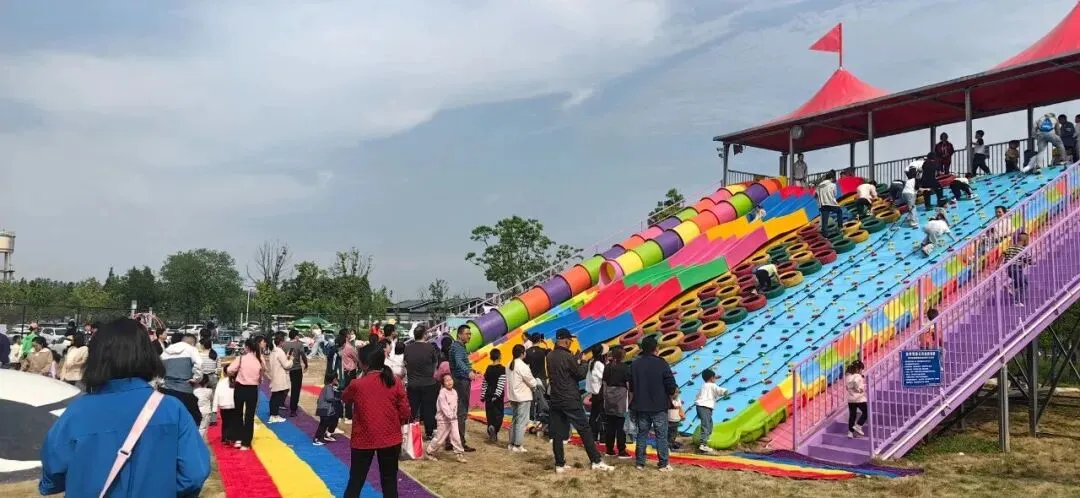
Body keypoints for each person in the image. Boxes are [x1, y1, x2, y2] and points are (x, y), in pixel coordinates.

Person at [39, 318, 211, 497]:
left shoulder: (78, 411)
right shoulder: (172, 409)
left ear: (96, 357)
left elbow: (53, 472)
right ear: (147, 354)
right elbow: (194, 474)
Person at [342, 349, 411, 498]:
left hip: (363, 438)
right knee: (389, 481)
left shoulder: (357, 384)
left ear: (364, 364)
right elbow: (405, 411)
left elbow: (345, 397)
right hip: (390, 437)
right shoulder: (395, 381)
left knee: (356, 480)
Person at [544, 328, 615, 473]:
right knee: (584, 429)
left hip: (556, 398)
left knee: (557, 433)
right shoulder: (567, 356)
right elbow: (580, 374)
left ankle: (559, 464)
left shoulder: (550, 356)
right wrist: (582, 362)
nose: (571, 342)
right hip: (570, 398)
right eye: (570, 340)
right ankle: (596, 460)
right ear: (565, 340)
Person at [629, 335, 677, 472]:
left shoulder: (634, 364)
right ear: (656, 348)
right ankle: (663, 463)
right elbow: (670, 384)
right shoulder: (661, 363)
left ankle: (640, 462)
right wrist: (672, 393)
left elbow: (631, 386)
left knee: (642, 434)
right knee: (661, 435)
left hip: (641, 406)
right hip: (659, 406)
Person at [160, 332, 206, 426]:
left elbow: (159, 369)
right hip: (184, 388)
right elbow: (199, 364)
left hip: (166, 389)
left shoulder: (166, 351)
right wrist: (196, 379)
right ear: (193, 343)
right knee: (194, 419)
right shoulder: (191, 349)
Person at [226, 338, 264, 450]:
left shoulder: (241, 358)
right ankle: (246, 443)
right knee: (249, 416)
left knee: (238, 414)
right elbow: (264, 370)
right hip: (252, 390)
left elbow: (229, 370)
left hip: (240, 389)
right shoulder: (259, 359)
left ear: (247, 347)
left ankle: (238, 438)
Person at [404, 324, 441, 440]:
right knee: (429, 409)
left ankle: (408, 432)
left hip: (412, 383)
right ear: (424, 335)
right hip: (428, 383)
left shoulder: (407, 348)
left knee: (412, 409)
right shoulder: (430, 348)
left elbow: (405, 363)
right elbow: (435, 363)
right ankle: (429, 433)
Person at [448, 324, 479, 452]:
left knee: (454, 411)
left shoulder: (456, 346)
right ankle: (460, 442)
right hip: (461, 381)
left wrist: (471, 370)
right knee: (461, 412)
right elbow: (459, 361)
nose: (469, 336)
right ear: (459, 334)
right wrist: (468, 372)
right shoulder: (458, 347)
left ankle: (450, 441)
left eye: (470, 334)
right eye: (467, 334)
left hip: (457, 380)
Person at [426, 374, 468, 462]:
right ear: (443, 383)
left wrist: (454, 416)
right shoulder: (442, 393)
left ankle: (459, 453)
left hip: (453, 420)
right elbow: (444, 407)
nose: (449, 382)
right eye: (447, 381)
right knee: (440, 439)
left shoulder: (454, 392)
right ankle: (430, 452)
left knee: (456, 437)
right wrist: (450, 415)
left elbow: (455, 406)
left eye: (450, 380)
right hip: (443, 420)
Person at [506, 343, 541, 453]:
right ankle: (518, 445)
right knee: (522, 422)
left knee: (515, 420)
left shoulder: (509, 364)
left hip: (513, 396)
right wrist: (537, 383)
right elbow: (530, 380)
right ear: (522, 353)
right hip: (523, 396)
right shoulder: (522, 366)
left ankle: (511, 443)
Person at [602, 346, 632, 458]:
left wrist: (605, 395)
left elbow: (604, 382)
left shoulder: (608, 367)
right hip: (621, 396)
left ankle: (609, 449)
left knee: (610, 424)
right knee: (620, 425)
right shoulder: (625, 367)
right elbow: (628, 384)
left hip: (609, 395)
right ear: (623, 356)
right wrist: (630, 397)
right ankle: (621, 450)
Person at [694, 368, 728, 453]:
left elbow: (697, 396)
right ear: (712, 378)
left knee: (709, 424)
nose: (715, 379)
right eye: (714, 377)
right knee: (706, 425)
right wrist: (725, 391)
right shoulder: (712, 385)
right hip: (705, 407)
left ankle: (705, 440)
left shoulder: (704, 386)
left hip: (700, 406)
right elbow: (719, 391)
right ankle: (703, 444)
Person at [524, 333, 551, 432]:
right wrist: (546, 344)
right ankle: (541, 418)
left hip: (532, 377)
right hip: (542, 378)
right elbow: (550, 353)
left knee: (531, 399)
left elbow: (525, 364)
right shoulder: (543, 351)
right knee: (542, 399)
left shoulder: (527, 352)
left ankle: (531, 418)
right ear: (540, 340)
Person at [267, 332, 294, 423]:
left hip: (275, 376)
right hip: (280, 377)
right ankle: (274, 415)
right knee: (277, 397)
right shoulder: (279, 351)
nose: (285, 342)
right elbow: (286, 365)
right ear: (281, 342)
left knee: (274, 397)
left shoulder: (274, 351)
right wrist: (291, 360)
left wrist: (287, 357)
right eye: (284, 341)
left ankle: (273, 414)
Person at [481, 348, 507, 441]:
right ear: (500, 357)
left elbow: (484, 383)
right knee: (499, 415)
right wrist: (496, 395)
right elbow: (501, 384)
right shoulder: (502, 369)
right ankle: (495, 428)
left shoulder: (488, 368)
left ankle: (491, 431)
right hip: (497, 397)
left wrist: (482, 395)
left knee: (490, 415)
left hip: (488, 394)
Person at [282, 329, 308, 417]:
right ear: (296, 336)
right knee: (295, 390)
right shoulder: (299, 344)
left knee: (284, 386)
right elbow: (303, 355)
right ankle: (293, 410)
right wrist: (306, 364)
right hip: (296, 368)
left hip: (286, 368)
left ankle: (281, 402)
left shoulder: (285, 344)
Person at [584, 344, 607, 441]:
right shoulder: (599, 364)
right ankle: (602, 436)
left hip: (594, 392)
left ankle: (593, 435)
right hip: (600, 392)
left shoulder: (592, 362)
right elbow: (605, 377)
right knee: (601, 414)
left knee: (594, 413)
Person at [1004, 232, 1032, 306]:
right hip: (1017, 269)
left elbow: (1004, 255)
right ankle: (1012, 287)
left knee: (1024, 282)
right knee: (1022, 283)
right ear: (1025, 241)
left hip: (1009, 269)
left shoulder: (1011, 248)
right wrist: (1031, 262)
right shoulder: (1022, 249)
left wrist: (998, 265)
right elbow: (1028, 260)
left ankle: (1017, 299)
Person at [314, 371, 341, 445]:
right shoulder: (329, 387)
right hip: (325, 409)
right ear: (334, 379)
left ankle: (320, 437)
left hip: (322, 409)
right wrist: (337, 399)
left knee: (323, 424)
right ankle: (317, 439)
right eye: (336, 379)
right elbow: (329, 398)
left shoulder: (326, 387)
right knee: (323, 425)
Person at [339, 331, 360, 424]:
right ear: (346, 336)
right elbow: (357, 358)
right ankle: (348, 416)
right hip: (349, 372)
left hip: (340, 372)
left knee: (340, 392)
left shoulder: (338, 347)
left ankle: (340, 415)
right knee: (350, 393)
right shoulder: (349, 347)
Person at [212, 369, 237, 446]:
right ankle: (232, 437)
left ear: (224, 373)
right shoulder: (236, 381)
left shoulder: (221, 382)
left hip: (223, 405)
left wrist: (214, 408)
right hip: (234, 404)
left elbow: (216, 394)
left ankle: (225, 437)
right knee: (233, 422)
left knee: (225, 422)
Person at [816, 170, 842, 237]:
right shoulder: (833, 185)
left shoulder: (819, 186)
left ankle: (825, 236)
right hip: (831, 203)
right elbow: (835, 194)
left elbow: (816, 195)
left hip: (823, 205)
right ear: (831, 178)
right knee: (839, 211)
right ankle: (840, 227)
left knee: (824, 222)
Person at [845, 360, 867, 438]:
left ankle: (850, 432)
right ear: (858, 369)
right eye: (861, 369)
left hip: (850, 399)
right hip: (859, 398)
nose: (861, 371)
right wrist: (860, 389)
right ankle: (858, 426)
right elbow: (856, 383)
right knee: (866, 412)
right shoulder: (857, 376)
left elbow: (847, 387)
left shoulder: (848, 376)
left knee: (852, 415)